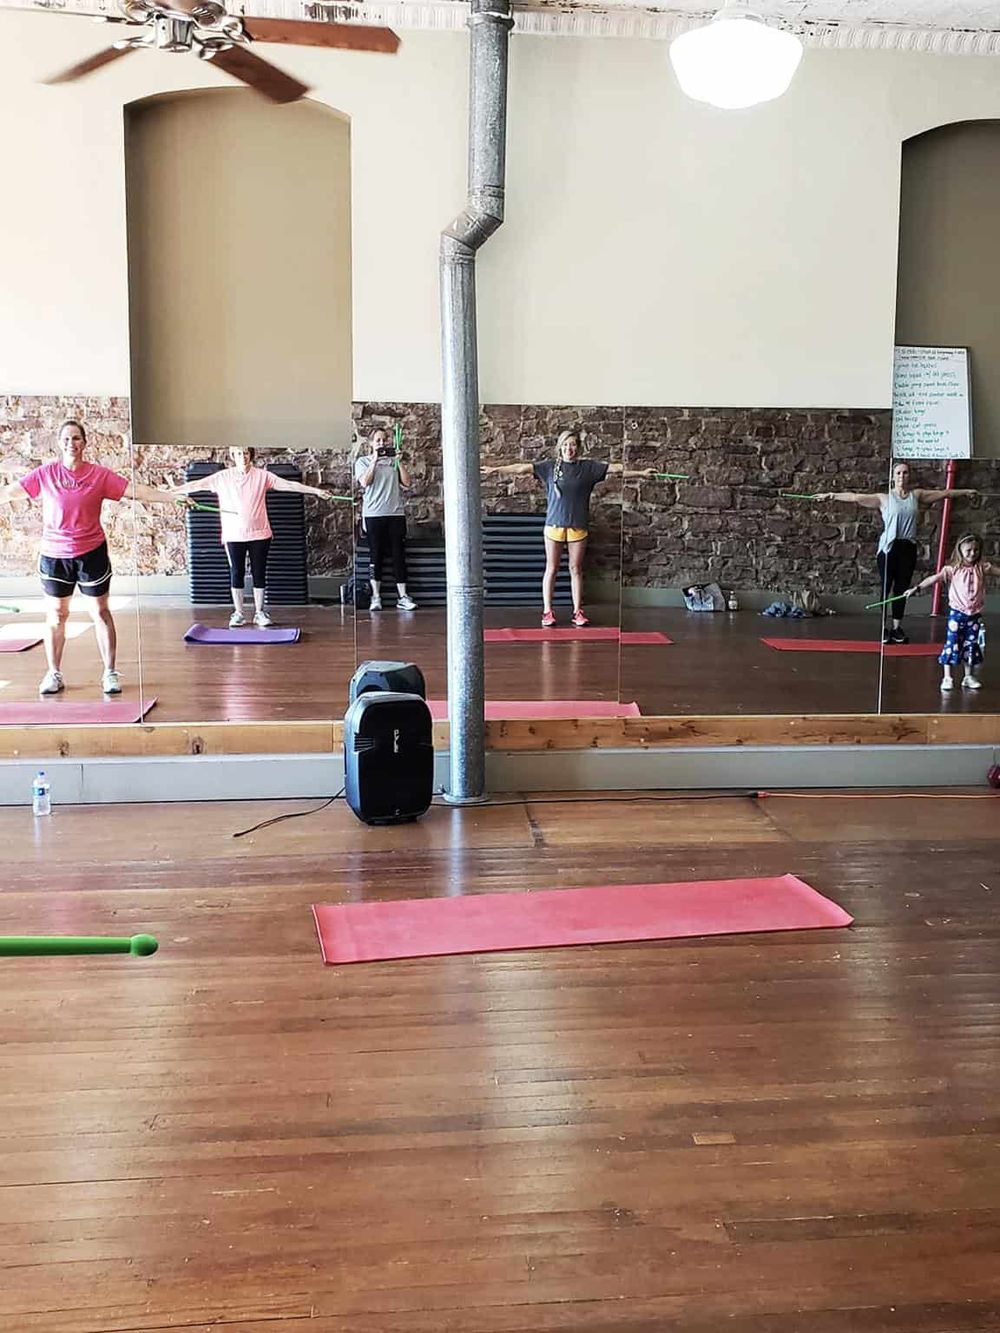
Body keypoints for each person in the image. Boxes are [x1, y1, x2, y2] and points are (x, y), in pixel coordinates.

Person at [0, 419, 185, 696]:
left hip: (91, 554)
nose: (71, 444)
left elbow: (135, 492)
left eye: (76, 438)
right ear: (59, 444)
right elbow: (9, 492)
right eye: (65, 439)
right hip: (54, 556)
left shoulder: (99, 475)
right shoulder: (45, 474)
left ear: (84, 443)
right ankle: (54, 673)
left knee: (100, 612)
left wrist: (172, 497)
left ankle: (109, 672)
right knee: (57, 615)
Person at [483, 429, 657, 627]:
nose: (569, 448)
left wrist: (641, 473)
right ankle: (547, 612)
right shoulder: (549, 467)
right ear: (560, 447)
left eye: (573, 444)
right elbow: (521, 469)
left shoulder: (588, 468)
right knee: (552, 568)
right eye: (565, 444)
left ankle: (577, 612)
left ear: (578, 448)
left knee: (575, 569)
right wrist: (495, 470)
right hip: (553, 527)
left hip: (578, 527)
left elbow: (616, 469)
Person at [814, 462, 976, 643]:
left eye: (905, 473)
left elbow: (944, 493)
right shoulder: (884, 499)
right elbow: (855, 497)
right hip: (888, 549)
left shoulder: (917, 495)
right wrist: (830, 495)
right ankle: (883, 628)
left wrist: (966, 491)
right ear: (893, 477)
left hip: (908, 548)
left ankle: (897, 628)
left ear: (909, 476)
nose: (902, 476)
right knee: (886, 587)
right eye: (898, 473)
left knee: (902, 589)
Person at [173, 447, 334, 627]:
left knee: (259, 572)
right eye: (239, 454)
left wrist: (316, 491)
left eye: (246, 453)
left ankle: (259, 612)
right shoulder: (222, 477)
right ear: (233, 456)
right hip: (234, 534)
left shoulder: (262, 476)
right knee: (237, 572)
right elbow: (195, 485)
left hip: (260, 533)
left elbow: (289, 485)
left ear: (251, 455)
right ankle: (239, 613)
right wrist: (171, 492)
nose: (243, 457)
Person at [904, 532, 993, 692]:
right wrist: (916, 588)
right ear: (960, 550)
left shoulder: (981, 567)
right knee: (952, 644)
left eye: (976, 550)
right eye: (968, 550)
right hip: (957, 614)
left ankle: (968, 676)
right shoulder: (953, 569)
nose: (973, 553)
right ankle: (947, 677)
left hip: (973, 615)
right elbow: (934, 579)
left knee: (971, 644)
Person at [353, 428, 417, 612]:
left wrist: (399, 462)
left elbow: (407, 482)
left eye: (384, 440)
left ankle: (403, 596)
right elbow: (365, 482)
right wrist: (374, 460)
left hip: (395, 514)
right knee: (376, 555)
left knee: (398, 555)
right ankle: (376, 596)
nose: (381, 443)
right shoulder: (363, 461)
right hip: (373, 514)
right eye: (378, 440)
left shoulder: (392, 462)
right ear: (371, 443)